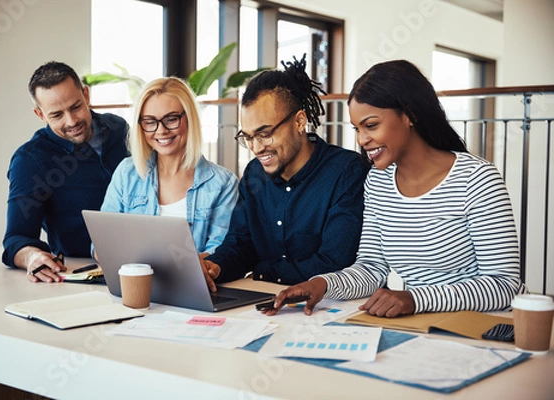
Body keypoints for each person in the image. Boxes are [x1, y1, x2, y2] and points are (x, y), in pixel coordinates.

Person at [265, 59, 527, 317]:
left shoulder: (476, 179)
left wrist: (416, 298)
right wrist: (321, 284)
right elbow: (372, 268)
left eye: (371, 125)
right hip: (426, 324)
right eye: (357, 128)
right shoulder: (378, 181)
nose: (362, 140)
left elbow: (504, 285)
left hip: (487, 324)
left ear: (410, 115)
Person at [202, 55, 369, 291]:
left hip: (329, 307)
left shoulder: (347, 172)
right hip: (265, 302)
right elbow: (240, 245)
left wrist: (263, 271)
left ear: (300, 121)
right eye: (248, 137)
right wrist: (215, 266)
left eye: (265, 133)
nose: (256, 147)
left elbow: (336, 262)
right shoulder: (254, 175)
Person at [2, 61, 129, 282]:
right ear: (40, 114)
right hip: (85, 275)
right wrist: (32, 257)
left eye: (75, 106)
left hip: (145, 266)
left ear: (86, 95)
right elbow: (16, 238)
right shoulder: (30, 160)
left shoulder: (119, 129)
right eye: (57, 115)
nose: (72, 121)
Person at [100, 77, 238, 260]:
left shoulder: (223, 183)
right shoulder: (127, 173)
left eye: (171, 119)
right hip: (133, 283)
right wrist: (105, 252)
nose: (161, 130)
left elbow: (219, 252)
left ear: (189, 118)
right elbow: (101, 242)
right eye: (150, 122)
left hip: (194, 286)